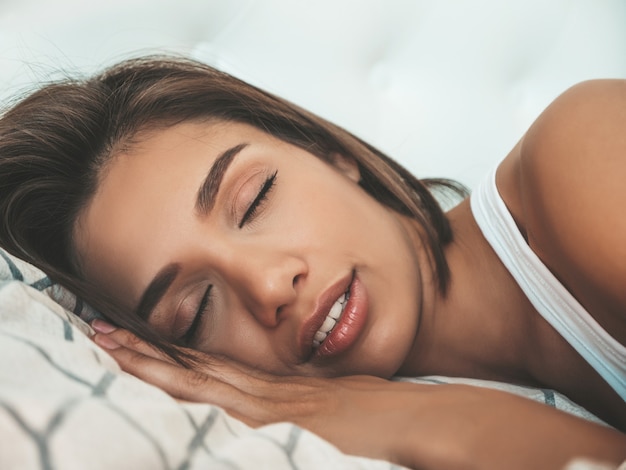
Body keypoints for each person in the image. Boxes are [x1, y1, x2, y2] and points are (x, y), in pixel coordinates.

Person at [0, 55, 624, 469]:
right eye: (195, 314)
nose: (270, 284)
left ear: (327, 151)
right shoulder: (339, 440)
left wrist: (447, 423)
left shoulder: (582, 151)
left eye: (255, 200)